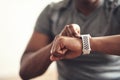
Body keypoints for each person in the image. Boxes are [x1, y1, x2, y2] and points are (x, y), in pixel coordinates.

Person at [19, 0, 120, 80]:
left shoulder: (117, 8)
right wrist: (56, 43)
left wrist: (84, 44)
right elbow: (25, 72)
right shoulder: (52, 12)